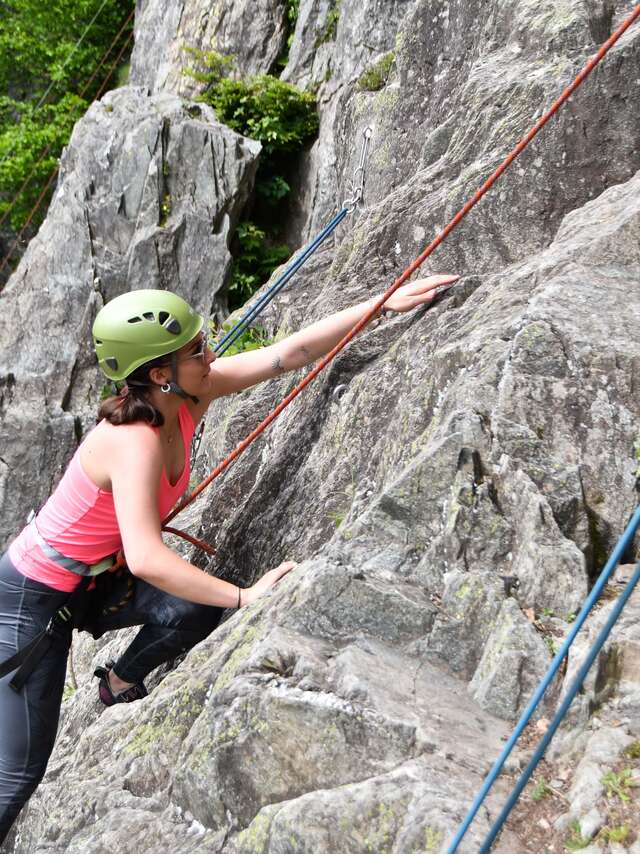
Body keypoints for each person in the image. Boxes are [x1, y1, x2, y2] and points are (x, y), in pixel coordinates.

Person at [0, 274, 457, 841]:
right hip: (30, 599)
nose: (210, 352)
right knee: (18, 772)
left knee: (192, 609)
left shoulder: (193, 392)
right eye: (196, 348)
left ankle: (117, 683)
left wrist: (380, 305)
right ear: (159, 373)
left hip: (89, 580)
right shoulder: (131, 440)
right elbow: (146, 557)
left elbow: (287, 354)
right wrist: (246, 597)